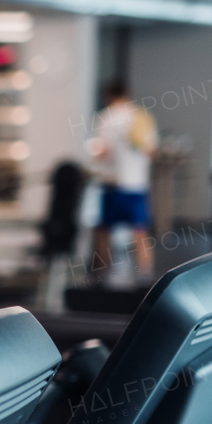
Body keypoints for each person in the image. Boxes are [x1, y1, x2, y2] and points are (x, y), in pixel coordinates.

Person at [89, 79, 158, 281]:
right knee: (141, 233)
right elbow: (151, 150)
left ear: (108, 96)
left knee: (103, 232)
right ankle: (146, 280)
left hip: (111, 184)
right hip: (135, 184)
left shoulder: (104, 117)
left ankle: (100, 279)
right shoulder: (140, 117)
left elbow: (101, 152)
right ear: (128, 93)